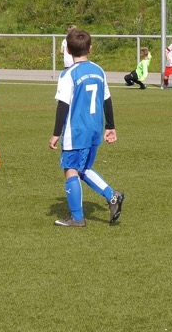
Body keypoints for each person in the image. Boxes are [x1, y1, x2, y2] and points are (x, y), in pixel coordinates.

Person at [48, 27, 125, 227]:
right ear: (90, 48)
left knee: (70, 169)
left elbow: (63, 105)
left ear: (67, 50)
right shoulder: (98, 70)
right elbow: (107, 99)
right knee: (82, 169)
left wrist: (56, 133)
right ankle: (112, 196)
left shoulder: (68, 74)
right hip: (94, 129)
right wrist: (110, 126)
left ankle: (77, 217)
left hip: (76, 131)